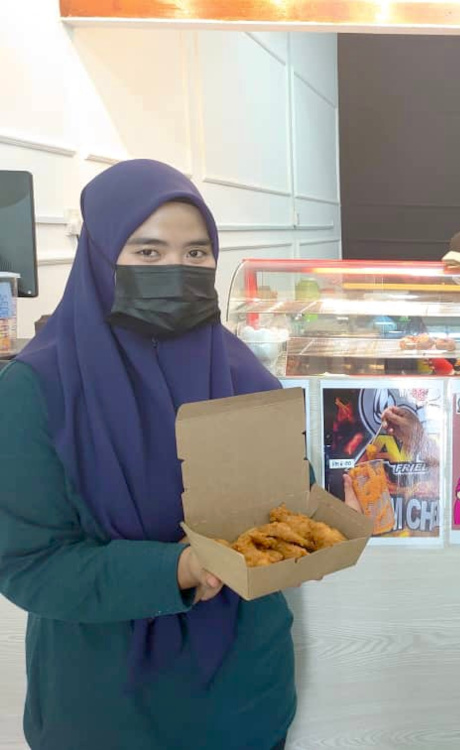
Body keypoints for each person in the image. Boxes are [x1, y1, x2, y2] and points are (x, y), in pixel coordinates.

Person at [0, 160, 296, 749]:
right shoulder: (38, 389)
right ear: (100, 255)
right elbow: (29, 564)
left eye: (196, 253)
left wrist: (313, 505)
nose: (175, 270)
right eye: (148, 252)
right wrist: (176, 570)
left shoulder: (240, 371)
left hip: (244, 695)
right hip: (106, 704)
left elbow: (278, 498)